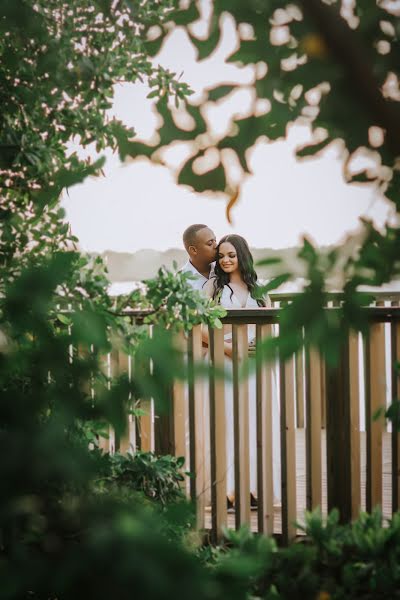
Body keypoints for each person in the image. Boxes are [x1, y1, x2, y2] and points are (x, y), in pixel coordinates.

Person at [203, 234, 281, 508]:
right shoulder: (214, 288)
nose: (225, 260)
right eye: (221, 255)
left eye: (231, 255)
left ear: (242, 256)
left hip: (255, 364)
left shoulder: (259, 289)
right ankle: (226, 491)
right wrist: (229, 350)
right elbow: (200, 327)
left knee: (256, 424)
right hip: (223, 363)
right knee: (226, 425)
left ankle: (255, 489)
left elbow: (269, 325)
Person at [180, 224, 217, 290]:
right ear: (193, 250)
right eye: (210, 243)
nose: (216, 246)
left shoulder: (225, 267)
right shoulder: (181, 281)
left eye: (215, 241)